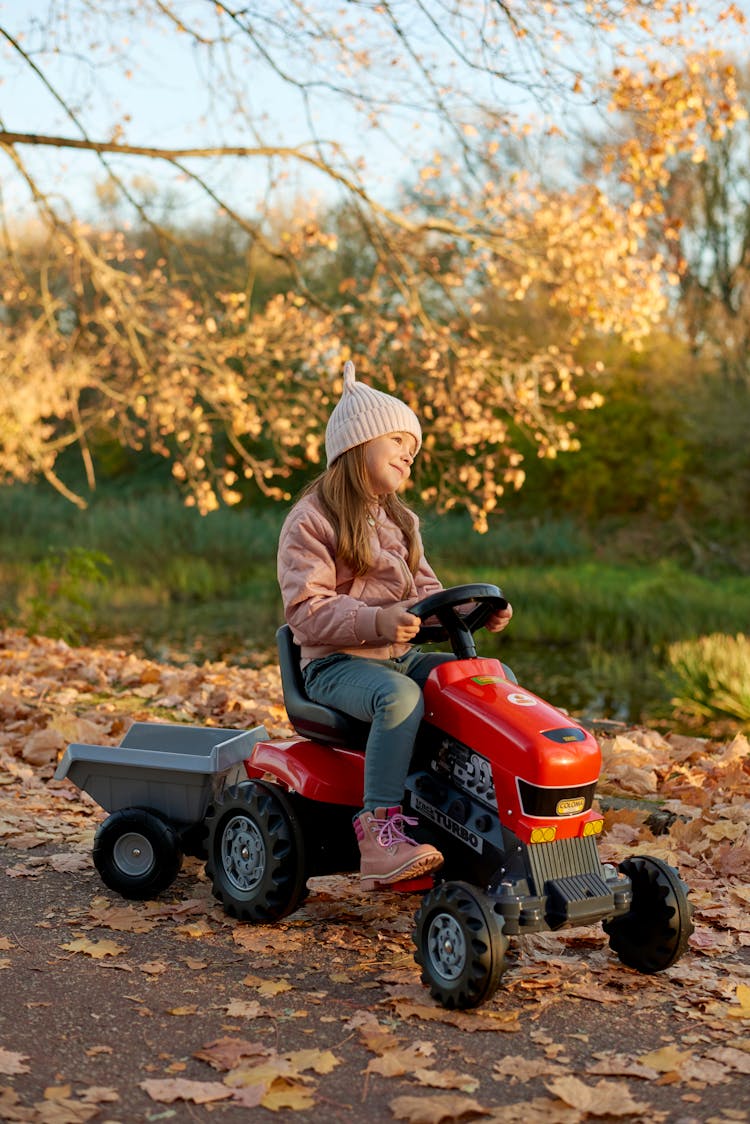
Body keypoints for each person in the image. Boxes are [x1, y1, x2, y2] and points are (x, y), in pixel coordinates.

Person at [277, 360, 513, 890]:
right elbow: (306, 610)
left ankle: (487, 811)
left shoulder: (400, 521)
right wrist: (378, 620)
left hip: (396, 656)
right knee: (400, 698)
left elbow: (428, 595)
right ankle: (378, 833)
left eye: (414, 446)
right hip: (335, 666)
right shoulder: (312, 520)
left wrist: (477, 614)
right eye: (399, 440)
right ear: (358, 446)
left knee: (488, 681)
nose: (410, 453)